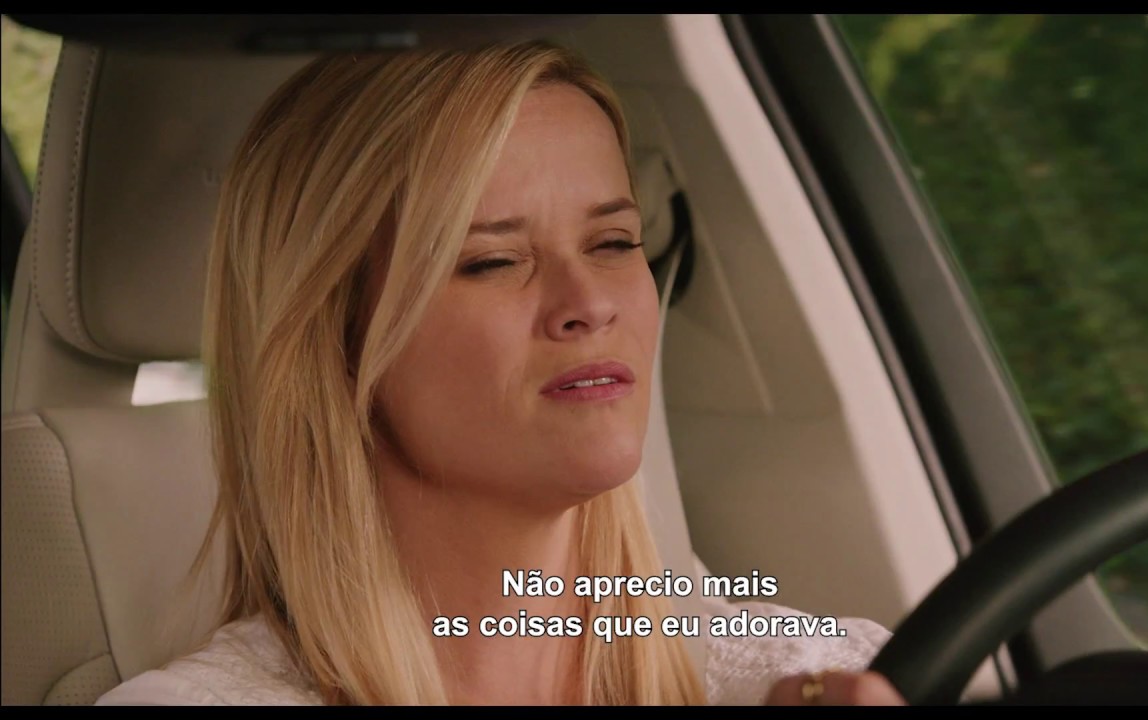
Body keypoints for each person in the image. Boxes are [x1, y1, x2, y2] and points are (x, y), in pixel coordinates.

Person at [94, 40, 906, 707]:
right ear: (337, 340)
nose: (589, 303)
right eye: (492, 261)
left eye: (613, 243)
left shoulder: (824, 672)